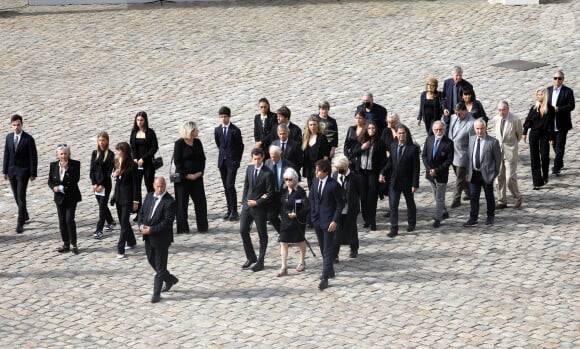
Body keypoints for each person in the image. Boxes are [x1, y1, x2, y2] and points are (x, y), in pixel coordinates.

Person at [138, 176, 179, 304]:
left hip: (161, 238)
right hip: (148, 237)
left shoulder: (170, 202)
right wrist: (141, 225)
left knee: (160, 267)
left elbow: (167, 223)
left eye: (162, 186)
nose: (160, 189)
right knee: (151, 260)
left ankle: (156, 293)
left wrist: (151, 230)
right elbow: (141, 213)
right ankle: (170, 279)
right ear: (153, 185)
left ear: (165, 186)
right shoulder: (149, 196)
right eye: (157, 186)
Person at [309, 159, 344, 291]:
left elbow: (340, 204)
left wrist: (334, 220)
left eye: (318, 170)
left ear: (325, 171)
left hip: (329, 221)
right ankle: (330, 269)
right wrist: (313, 215)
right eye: (316, 170)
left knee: (328, 248)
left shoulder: (333, 185)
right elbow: (312, 198)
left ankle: (325, 277)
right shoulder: (315, 181)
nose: (316, 172)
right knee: (323, 247)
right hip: (318, 220)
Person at [380, 124, 420, 237]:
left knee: (410, 202)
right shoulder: (393, 146)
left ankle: (411, 223)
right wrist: (383, 172)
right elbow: (390, 162)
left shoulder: (413, 149)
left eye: (403, 133)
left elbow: (416, 168)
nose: (401, 135)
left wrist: (415, 183)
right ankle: (394, 228)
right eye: (399, 133)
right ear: (396, 134)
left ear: (406, 134)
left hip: (407, 181)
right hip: (394, 181)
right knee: (393, 205)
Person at [239, 148, 275, 272]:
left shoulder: (268, 173)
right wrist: (244, 202)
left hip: (260, 208)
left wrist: (258, 202)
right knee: (243, 230)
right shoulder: (249, 169)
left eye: (259, 159)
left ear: (263, 157)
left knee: (262, 234)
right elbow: (246, 186)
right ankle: (251, 257)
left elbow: (270, 193)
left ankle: (261, 260)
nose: (257, 162)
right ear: (252, 158)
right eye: (255, 159)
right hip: (248, 206)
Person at [348, 121, 385, 231]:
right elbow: (352, 154)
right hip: (362, 173)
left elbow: (383, 160)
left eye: (373, 128)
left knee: (372, 197)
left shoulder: (379, 143)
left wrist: (381, 173)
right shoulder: (361, 141)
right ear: (366, 130)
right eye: (369, 128)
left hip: (373, 173)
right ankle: (366, 220)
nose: (371, 130)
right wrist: (362, 148)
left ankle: (372, 221)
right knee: (363, 197)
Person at [3, 114, 38, 234]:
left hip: (23, 172)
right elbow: (6, 155)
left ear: (22, 125)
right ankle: (25, 214)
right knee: (16, 196)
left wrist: (33, 173)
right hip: (12, 171)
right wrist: (5, 171)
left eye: (18, 125)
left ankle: (20, 222)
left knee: (21, 196)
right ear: (11, 125)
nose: (16, 127)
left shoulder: (28, 139)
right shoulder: (8, 137)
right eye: (14, 125)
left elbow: (33, 157)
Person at [464, 118, 501, 227]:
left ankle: (490, 216)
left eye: (481, 128)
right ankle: (473, 218)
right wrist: (467, 172)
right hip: (474, 174)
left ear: (485, 128)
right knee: (474, 196)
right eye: (477, 129)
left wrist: (494, 174)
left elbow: (497, 160)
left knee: (489, 196)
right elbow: (469, 157)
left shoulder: (493, 142)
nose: (479, 131)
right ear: (474, 129)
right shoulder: (471, 139)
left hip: (487, 174)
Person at [173, 121, 208, 234]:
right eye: (195, 130)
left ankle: (202, 226)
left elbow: (202, 159)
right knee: (182, 204)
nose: (197, 131)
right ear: (190, 131)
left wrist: (199, 173)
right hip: (183, 179)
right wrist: (187, 175)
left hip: (197, 178)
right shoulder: (179, 144)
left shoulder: (197, 142)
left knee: (201, 202)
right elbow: (177, 162)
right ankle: (183, 228)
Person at [488, 101, 523, 209]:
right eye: (499, 110)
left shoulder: (515, 119)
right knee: (499, 177)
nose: (501, 112)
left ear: (508, 109)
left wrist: (512, 144)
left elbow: (519, 135)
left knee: (510, 178)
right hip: (498, 152)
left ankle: (517, 197)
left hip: (510, 152)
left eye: (503, 110)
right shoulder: (496, 119)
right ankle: (501, 200)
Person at [48, 144, 82, 254]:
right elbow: (50, 181)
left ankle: (74, 243)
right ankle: (66, 243)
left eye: (65, 153)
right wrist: (54, 188)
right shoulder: (53, 165)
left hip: (71, 196)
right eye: (61, 154)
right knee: (62, 221)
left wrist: (67, 171)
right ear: (58, 155)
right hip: (59, 197)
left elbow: (75, 180)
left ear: (69, 154)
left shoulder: (75, 164)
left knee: (69, 220)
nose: (63, 156)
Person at [277, 167, 309, 277]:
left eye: (290, 179)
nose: (288, 182)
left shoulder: (300, 192)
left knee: (299, 241)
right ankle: (284, 266)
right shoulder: (285, 191)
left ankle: (302, 261)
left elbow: (306, 207)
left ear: (295, 179)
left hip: (297, 221)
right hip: (285, 221)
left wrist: (297, 214)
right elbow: (282, 204)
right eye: (286, 179)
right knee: (283, 242)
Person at [421, 121, 454, 228]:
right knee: (435, 195)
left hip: (441, 175)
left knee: (439, 197)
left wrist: (437, 170)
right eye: (436, 130)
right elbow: (424, 155)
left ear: (444, 130)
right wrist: (429, 169)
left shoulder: (448, 143)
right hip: (430, 174)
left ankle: (438, 218)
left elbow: (448, 161)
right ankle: (444, 211)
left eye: (441, 130)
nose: (438, 132)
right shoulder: (429, 139)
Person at [214, 106, 244, 221]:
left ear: (229, 117)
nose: (223, 119)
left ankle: (234, 211)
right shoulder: (217, 130)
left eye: (225, 117)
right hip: (222, 162)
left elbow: (240, 146)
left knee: (230, 185)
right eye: (221, 117)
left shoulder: (235, 130)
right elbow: (219, 144)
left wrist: (237, 160)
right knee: (225, 187)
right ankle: (229, 209)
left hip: (232, 162)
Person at [111, 142, 140, 259]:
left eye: (119, 150)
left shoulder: (132, 165)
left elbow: (136, 184)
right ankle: (132, 241)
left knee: (123, 223)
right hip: (118, 196)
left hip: (128, 197)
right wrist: (115, 174)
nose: (117, 152)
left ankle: (120, 248)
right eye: (117, 150)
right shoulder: (116, 162)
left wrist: (136, 201)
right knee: (124, 222)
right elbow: (116, 178)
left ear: (125, 151)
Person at [523, 88, 555, 190]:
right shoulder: (534, 108)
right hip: (534, 135)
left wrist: (552, 137)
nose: (538, 96)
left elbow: (551, 124)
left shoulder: (550, 109)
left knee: (545, 157)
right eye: (537, 95)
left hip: (545, 135)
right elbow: (528, 121)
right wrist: (524, 133)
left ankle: (545, 175)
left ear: (545, 96)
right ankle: (537, 182)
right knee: (534, 158)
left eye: (540, 95)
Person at [331, 155, 362, 261]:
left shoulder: (354, 177)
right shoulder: (335, 175)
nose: (338, 171)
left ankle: (354, 248)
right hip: (338, 209)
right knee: (337, 231)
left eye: (340, 169)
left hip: (350, 208)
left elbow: (360, 192)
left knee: (351, 228)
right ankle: (335, 254)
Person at [547, 70, 575, 176]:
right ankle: (560, 162)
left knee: (560, 145)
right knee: (553, 143)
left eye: (559, 78)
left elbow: (571, 106)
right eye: (555, 78)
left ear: (563, 80)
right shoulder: (548, 90)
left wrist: (559, 109)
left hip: (562, 123)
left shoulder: (568, 91)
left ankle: (556, 166)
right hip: (550, 123)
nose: (557, 80)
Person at [448, 102, 475, 208]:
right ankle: (468, 192)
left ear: (466, 111)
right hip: (453, 152)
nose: (457, 116)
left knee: (459, 178)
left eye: (460, 113)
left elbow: (473, 143)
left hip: (463, 155)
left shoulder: (472, 123)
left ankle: (456, 199)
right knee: (459, 176)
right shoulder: (453, 117)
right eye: (456, 113)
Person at [89, 132, 116, 240]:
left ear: (107, 141)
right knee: (102, 205)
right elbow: (92, 170)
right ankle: (111, 221)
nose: (101, 142)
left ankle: (98, 230)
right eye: (99, 140)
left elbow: (108, 172)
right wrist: (94, 183)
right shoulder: (94, 153)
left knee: (101, 207)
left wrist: (102, 185)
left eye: (103, 140)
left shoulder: (110, 154)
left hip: (105, 185)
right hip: (96, 185)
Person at [130, 111, 159, 207]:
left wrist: (144, 158)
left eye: (141, 120)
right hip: (136, 164)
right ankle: (138, 211)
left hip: (148, 164)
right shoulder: (134, 132)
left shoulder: (150, 132)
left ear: (145, 120)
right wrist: (134, 158)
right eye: (137, 120)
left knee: (149, 186)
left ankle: (151, 208)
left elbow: (154, 147)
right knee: (136, 187)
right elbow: (132, 147)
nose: (139, 122)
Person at [264, 145, 295, 235]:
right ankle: (282, 233)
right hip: (273, 195)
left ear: (280, 155)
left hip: (284, 194)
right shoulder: (267, 163)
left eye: (274, 156)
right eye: (271, 156)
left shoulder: (288, 165)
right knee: (271, 216)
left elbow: (294, 180)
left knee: (285, 217)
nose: (272, 158)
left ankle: (286, 234)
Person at [302, 115, 330, 188]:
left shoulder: (322, 137)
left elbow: (326, 155)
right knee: (310, 187)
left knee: (318, 187)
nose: (312, 127)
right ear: (308, 126)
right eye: (310, 125)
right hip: (309, 167)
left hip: (319, 167)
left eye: (314, 124)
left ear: (318, 125)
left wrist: (323, 168)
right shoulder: (305, 137)